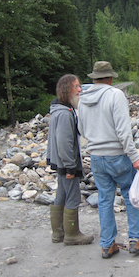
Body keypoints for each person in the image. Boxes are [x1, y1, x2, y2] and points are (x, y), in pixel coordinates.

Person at [77, 61, 139, 259]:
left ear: (94, 78)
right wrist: (135, 157)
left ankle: (107, 245)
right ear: (110, 78)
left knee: (105, 199)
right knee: (130, 195)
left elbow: (81, 130)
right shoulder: (115, 95)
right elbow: (123, 131)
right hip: (117, 155)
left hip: (96, 157)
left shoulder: (82, 99)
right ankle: (135, 240)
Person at [46, 74, 94, 246]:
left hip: (59, 163)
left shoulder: (57, 110)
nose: (80, 90)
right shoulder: (65, 114)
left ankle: (58, 233)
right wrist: (71, 168)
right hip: (66, 164)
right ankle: (72, 234)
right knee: (73, 196)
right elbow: (64, 143)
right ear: (67, 90)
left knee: (61, 195)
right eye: (76, 86)